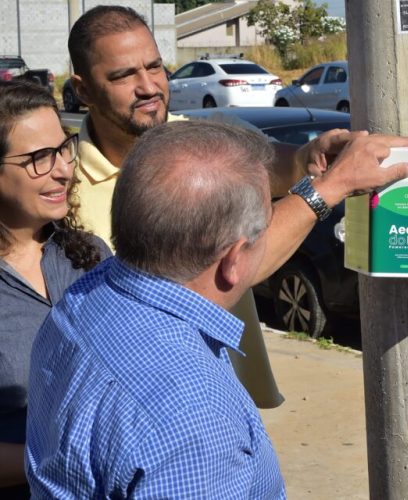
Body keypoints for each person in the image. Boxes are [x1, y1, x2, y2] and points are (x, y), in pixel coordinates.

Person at [25, 119, 408, 497]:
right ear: (234, 260)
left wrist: (326, 187)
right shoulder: (195, 420)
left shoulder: (85, 297)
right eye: (264, 227)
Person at [66, 5, 361, 408]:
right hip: (139, 418)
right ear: (82, 90)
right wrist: (325, 191)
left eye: (155, 67)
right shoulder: (59, 188)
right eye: (123, 75)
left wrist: (310, 155)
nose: (149, 86)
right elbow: (230, 273)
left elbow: (275, 163)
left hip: (232, 403)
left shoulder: (205, 140)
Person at [0, 80, 110, 498]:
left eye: (64, 148)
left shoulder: (89, 256)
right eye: (39, 158)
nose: (64, 168)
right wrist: (60, 460)